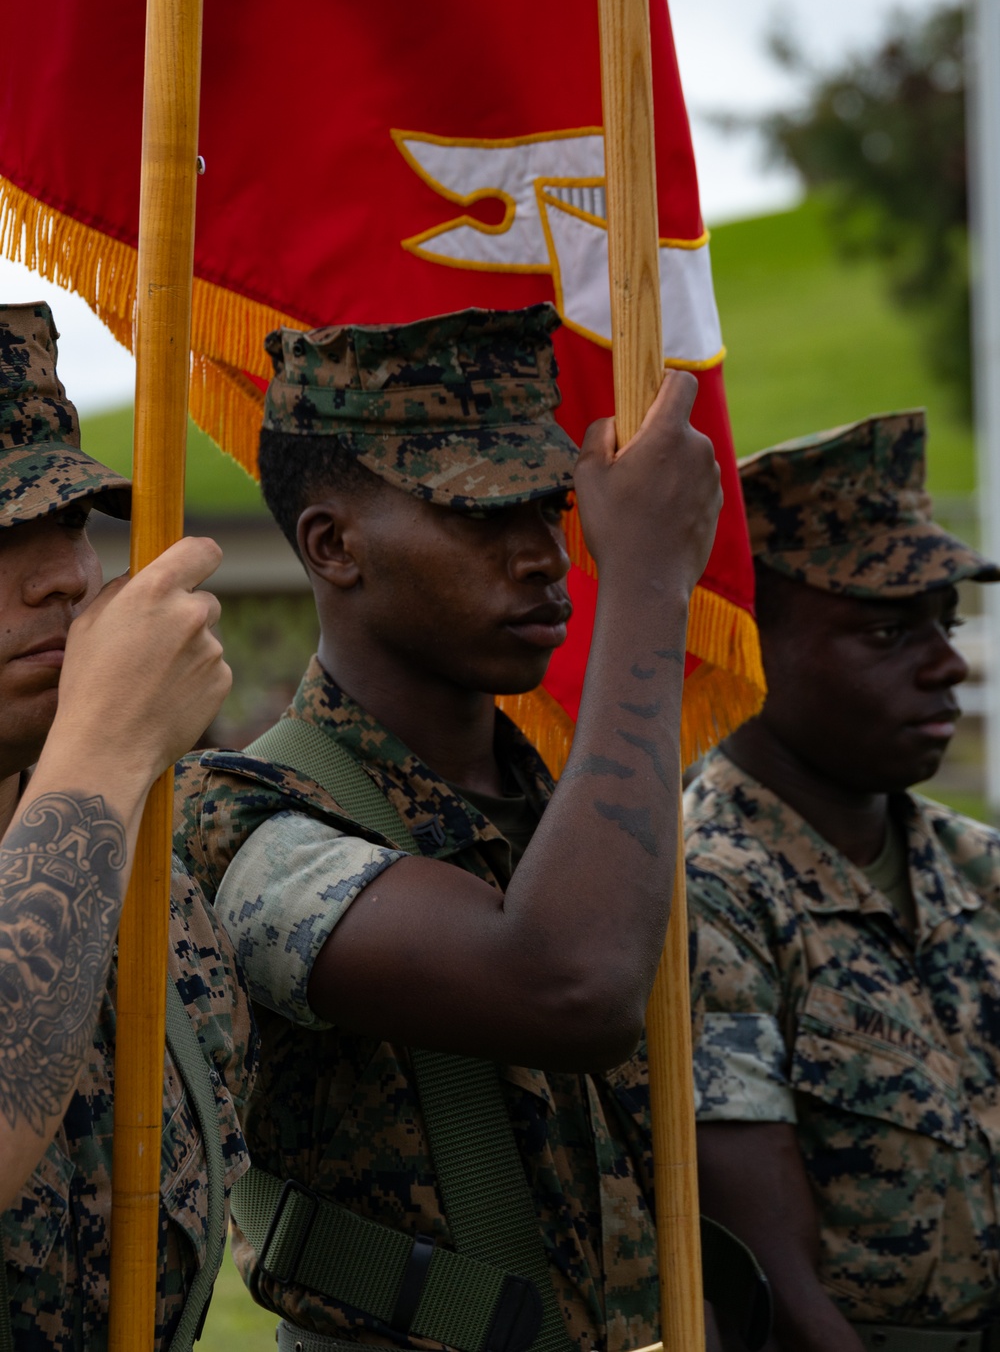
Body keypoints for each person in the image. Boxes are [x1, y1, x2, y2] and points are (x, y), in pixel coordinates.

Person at [174, 302, 728, 1352]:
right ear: (332, 547)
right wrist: (650, 584)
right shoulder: (238, 816)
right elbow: (566, 984)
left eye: (550, 507)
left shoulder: (567, 815)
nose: (541, 554)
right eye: (480, 515)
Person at [685, 410, 1000, 1352]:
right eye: (887, 632)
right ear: (750, 643)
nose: (947, 665)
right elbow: (775, 1288)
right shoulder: (706, 892)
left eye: (944, 624)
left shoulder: (977, 868)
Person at [0, 302, 256, 1349]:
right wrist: (105, 748)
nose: (64, 574)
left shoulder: (149, 877)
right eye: (3, 536)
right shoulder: (104, 801)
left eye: (70, 520)